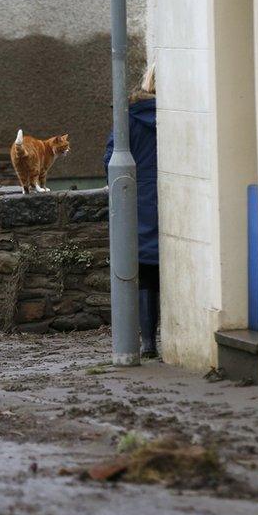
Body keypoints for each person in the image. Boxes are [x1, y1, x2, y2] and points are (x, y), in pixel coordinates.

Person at [103, 63, 159, 358]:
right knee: (164, 269)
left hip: (139, 203)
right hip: (168, 200)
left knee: (146, 273)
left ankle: (148, 342)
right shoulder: (175, 117)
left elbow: (111, 161)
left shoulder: (129, 118)